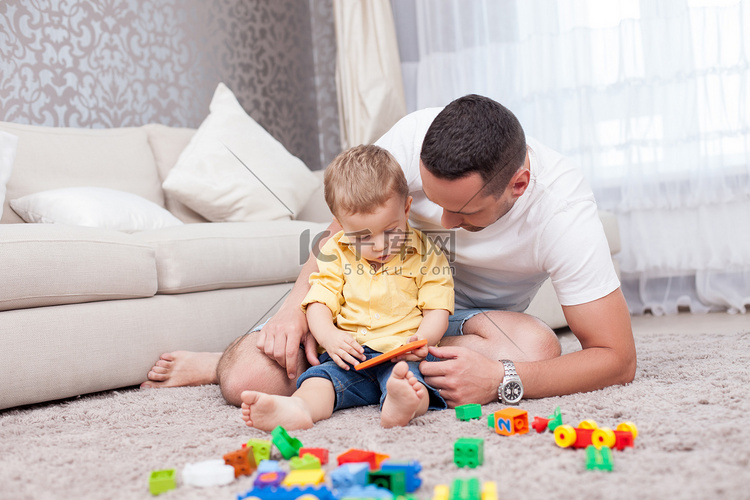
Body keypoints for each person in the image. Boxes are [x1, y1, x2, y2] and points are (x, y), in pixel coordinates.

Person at [142, 94, 636, 408]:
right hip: (363, 304)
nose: (444, 225)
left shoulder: (564, 211)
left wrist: (502, 380)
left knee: (535, 350)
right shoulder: (414, 137)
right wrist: (298, 308)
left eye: (463, 213)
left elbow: (617, 359)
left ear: (519, 184)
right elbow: (342, 232)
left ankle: (362, 375)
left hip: (456, 322)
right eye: (431, 201)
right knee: (247, 380)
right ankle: (219, 364)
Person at [239, 144, 454, 430]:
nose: (379, 246)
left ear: (406, 208)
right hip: (349, 356)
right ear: (340, 225)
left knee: (411, 383)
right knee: (320, 380)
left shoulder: (428, 253)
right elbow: (319, 303)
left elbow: (437, 309)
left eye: (390, 231)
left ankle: (401, 405)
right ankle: (299, 408)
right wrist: (329, 336)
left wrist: (421, 339)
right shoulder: (336, 252)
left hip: (400, 354)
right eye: (363, 237)